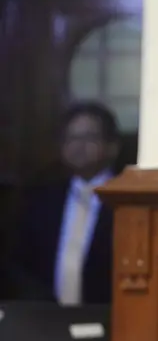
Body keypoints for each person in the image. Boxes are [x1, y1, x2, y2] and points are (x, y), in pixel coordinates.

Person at [5, 101, 121, 305]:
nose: (78, 146)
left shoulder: (124, 200)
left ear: (112, 146)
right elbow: (19, 262)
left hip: (109, 316)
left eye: (88, 137)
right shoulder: (43, 199)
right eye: (70, 138)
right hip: (47, 319)